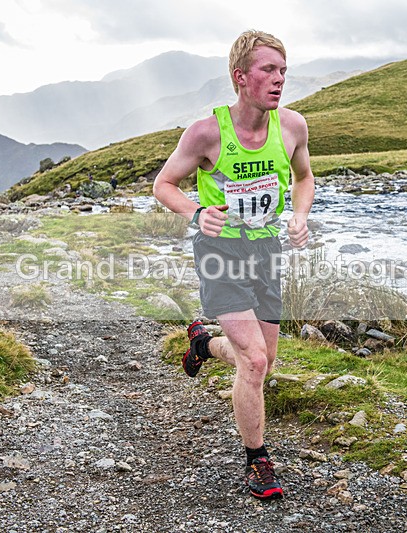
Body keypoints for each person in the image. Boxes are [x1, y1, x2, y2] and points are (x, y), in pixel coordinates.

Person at [153, 30, 315, 500]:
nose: (279, 79)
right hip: (221, 255)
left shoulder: (292, 127)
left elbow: (304, 179)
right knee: (256, 360)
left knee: (262, 363)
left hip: (266, 255)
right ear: (240, 76)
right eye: (269, 69)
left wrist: (299, 217)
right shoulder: (206, 133)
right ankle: (257, 460)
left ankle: (203, 345)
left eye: (283, 70)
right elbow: (164, 184)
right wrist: (197, 213)